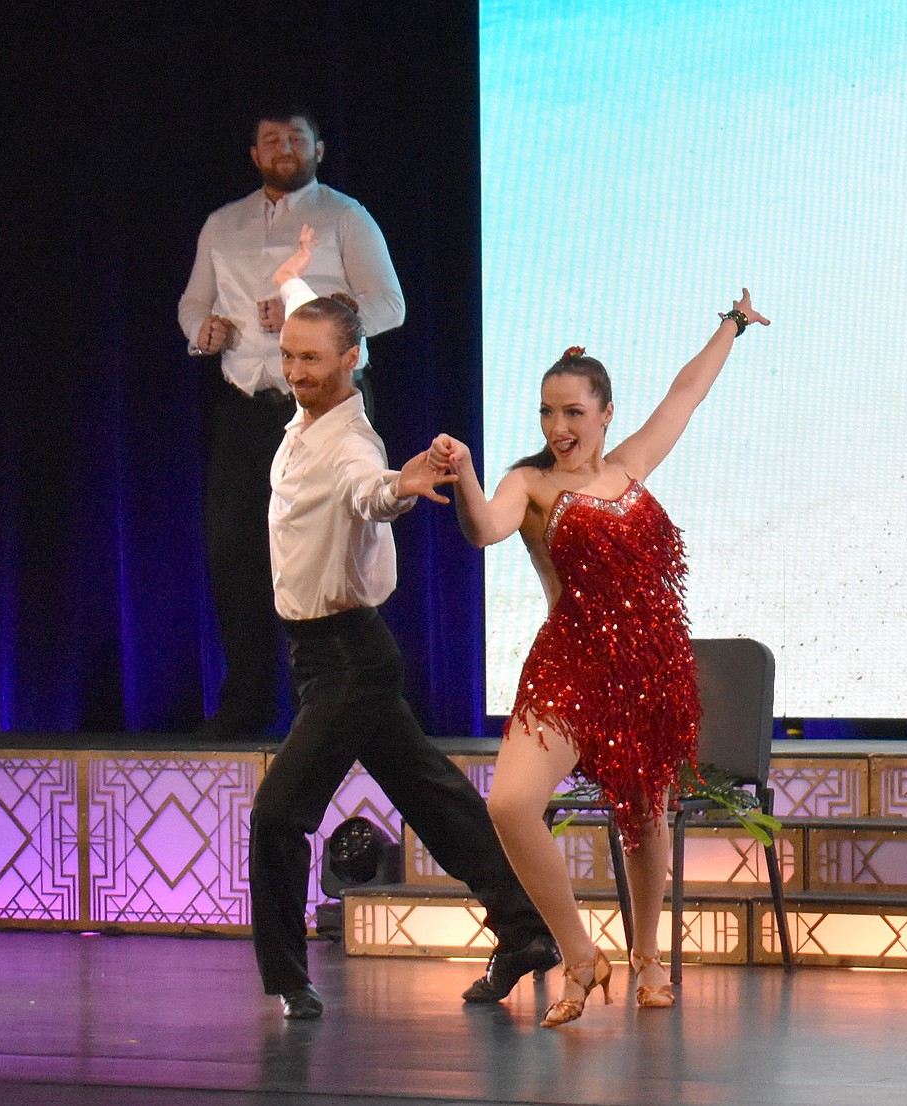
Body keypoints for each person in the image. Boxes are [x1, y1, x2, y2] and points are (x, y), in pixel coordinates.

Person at [427, 293, 769, 1027]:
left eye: (573, 413)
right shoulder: (531, 485)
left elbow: (686, 394)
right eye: (547, 413)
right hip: (568, 670)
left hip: (645, 673)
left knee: (643, 815)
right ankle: (579, 953)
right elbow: (484, 528)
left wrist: (730, 328)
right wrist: (462, 475)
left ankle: (647, 958)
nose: (557, 428)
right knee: (510, 803)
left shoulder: (632, 463)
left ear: (605, 413)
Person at [248, 233, 558, 1019]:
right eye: (288, 355)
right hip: (323, 659)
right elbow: (310, 321)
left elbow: (368, 492)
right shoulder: (311, 406)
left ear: (351, 361)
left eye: (310, 360)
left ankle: (288, 979)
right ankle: (526, 928)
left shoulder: (352, 441)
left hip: (351, 658)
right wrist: (292, 285)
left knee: (279, 813)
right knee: (436, 800)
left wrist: (400, 485)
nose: (294, 370)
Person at [178, 108, 405, 738]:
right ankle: (246, 703)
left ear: (319, 150)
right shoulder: (224, 224)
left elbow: (389, 303)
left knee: (329, 553)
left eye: (296, 140)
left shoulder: (344, 216)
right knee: (237, 551)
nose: (285, 150)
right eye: (272, 141)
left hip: (325, 412)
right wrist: (206, 331)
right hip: (249, 412)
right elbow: (194, 301)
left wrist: (312, 310)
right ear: (254, 153)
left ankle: (334, 702)